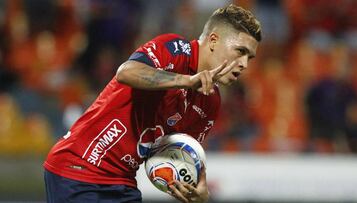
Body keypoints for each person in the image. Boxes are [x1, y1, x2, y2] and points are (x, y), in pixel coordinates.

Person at [44, 4, 261, 203]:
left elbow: (176, 152)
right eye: (240, 52)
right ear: (213, 40)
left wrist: (195, 187)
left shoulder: (210, 102)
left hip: (123, 181)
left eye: (249, 58)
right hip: (79, 167)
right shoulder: (174, 49)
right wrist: (185, 81)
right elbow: (126, 72)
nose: (243, 64)